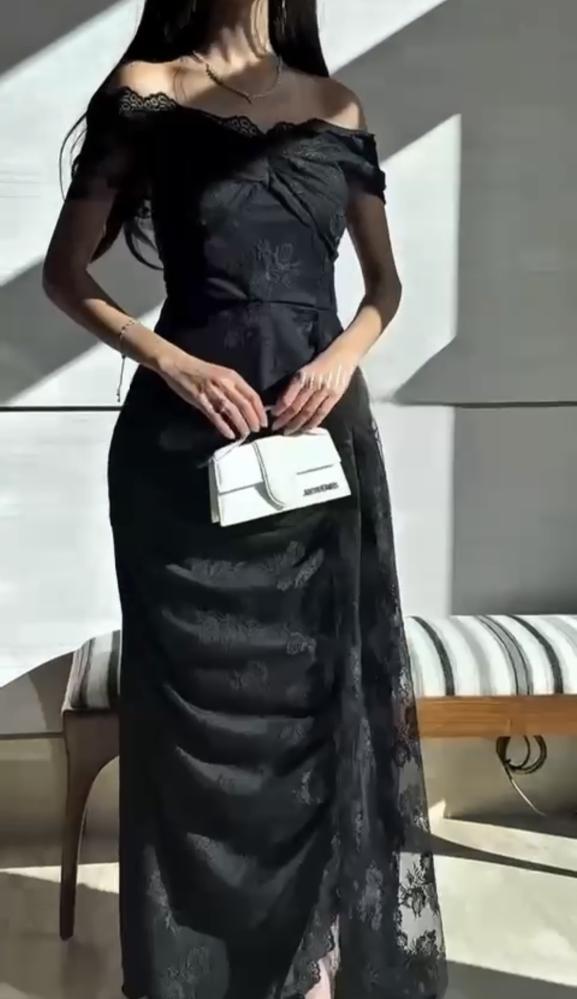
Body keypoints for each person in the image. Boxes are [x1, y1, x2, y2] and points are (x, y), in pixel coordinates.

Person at [42, 1, 447, 996]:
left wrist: (340, 360)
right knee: (194, 725)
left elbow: (384, 288)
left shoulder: (336, 104)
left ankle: (309, 960)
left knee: (316, 704)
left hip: (318, 440)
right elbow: (64, 273)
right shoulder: (146, 93)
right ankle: (201, 972)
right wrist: (171, 361)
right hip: (184, 457)